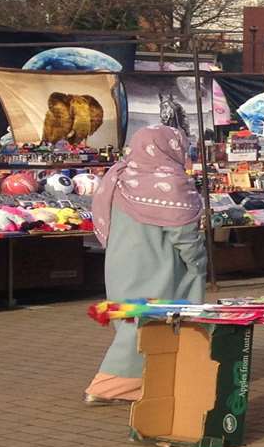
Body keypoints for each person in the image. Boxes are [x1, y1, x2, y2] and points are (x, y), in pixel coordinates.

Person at [85, 125, 208, 406]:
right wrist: (198, 266)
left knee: (131, 319)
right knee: (146, 323)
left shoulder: (118, 176)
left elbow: (101, 215)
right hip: (158, 267)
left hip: (120, 263)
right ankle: (108, 385)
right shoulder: (170, 183)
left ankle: (150, 378)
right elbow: (185, 237)